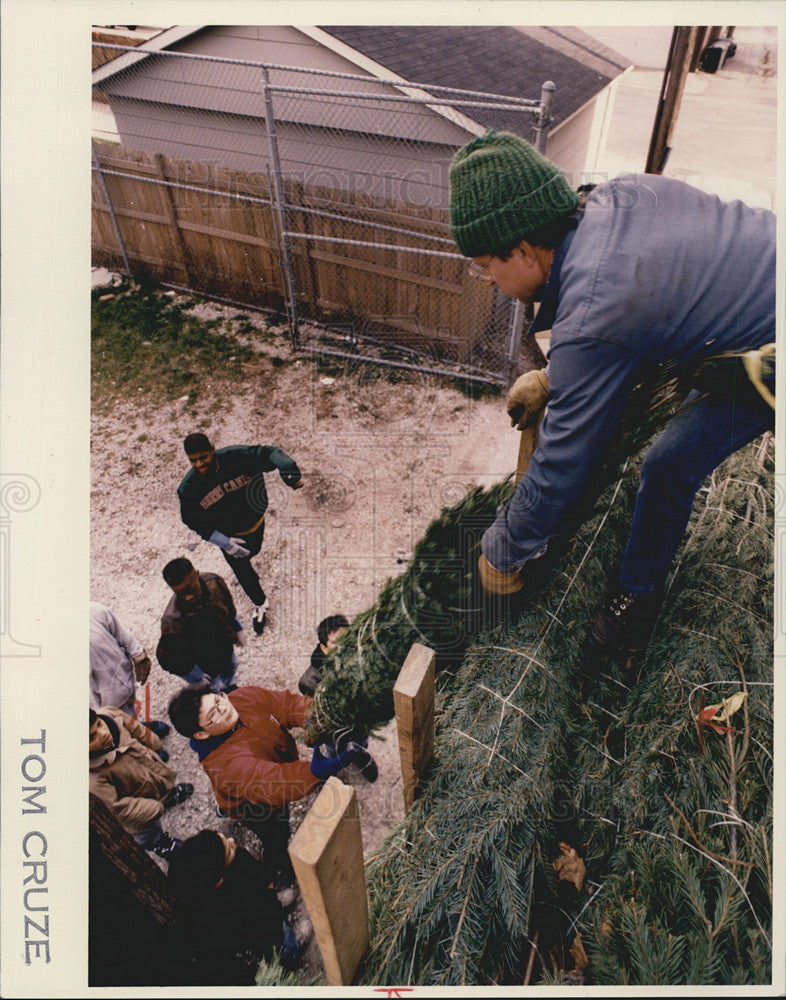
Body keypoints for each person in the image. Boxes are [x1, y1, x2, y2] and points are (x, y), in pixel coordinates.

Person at [448, 130, 775, 654]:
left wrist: (501, 554)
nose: (486, 280)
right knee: (673, 447)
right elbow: (645, 309)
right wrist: (559, 378)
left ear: (526, 250)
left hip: (772, 350)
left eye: (486, 266)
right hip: (760, 295)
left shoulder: (597, 305)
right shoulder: (617, 196)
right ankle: (638, 594)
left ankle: (634, 604)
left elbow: (561, 467)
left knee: (670, 464)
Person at [167, 683, 370, 885]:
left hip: (277, 765)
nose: (224, 708)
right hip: (256, 805)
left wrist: (314, 717)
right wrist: (311, 773)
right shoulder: (225, 764)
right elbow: (275, 782)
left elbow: (285, 704)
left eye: (219, 699)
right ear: (201, 734)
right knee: (276, 833)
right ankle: (280, 864)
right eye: (213, 714)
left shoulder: (242, 698)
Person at [177, 433, 303, 636]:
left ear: (213, 449)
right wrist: (223, 542)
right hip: (232, 536)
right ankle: (260, 603)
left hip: (256, 523)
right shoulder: (189, 489)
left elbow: (269, 453)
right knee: (243, 569)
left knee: (255, 550)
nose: (200, 464)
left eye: (204, 457)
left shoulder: (238, 457)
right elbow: (191, 519)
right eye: (193, 460)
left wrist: (289, 470)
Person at [167, 829, 300, 983]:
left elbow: (265, 876)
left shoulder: (238, 857)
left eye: (223, 838)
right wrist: (270, 898)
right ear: (217, 882)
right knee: (281, 943)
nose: (231, 840)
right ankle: (291, 951)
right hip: (267, 928)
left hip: (261, 915)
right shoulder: (225, 909)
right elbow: (265, 908)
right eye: (228, 849)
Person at [89, 706, 194, 861]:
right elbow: (118, 809)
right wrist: (154, 808)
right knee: (148, 832)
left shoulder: (109, 715)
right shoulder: (92, 778)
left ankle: (167, 796)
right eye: (91, 737)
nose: (104, 733)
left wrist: (153, 743)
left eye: (99, 724)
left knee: (162, 787)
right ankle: (160, 843)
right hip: (139, 815)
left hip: (150, 777)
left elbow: (136, 728)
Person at [157, 558, 244, 692]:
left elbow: (228, 605)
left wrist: (237, 628)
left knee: (232, 666)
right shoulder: (172, 622)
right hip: (206, 664)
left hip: (225, 647)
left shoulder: (214, 582)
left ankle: (230, 687)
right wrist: (196, 676)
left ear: (197, 574)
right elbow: (167, 659)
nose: (188, 597)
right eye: (181, 594)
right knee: (215, 687)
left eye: (190, 589)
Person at [89, 602, 170, 738]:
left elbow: (120, 631)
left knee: (129, 710)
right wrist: (97, 714)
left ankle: (138, 727)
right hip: (105, 699)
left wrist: (139, 656)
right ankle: (139, 744)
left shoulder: (93, 611)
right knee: (118, 725)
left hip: (124, 675)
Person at [297, 614, 349, 696]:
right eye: (334, 642)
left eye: (345, 638)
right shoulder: (311, 682)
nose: (342, 645)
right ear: (324, 648)